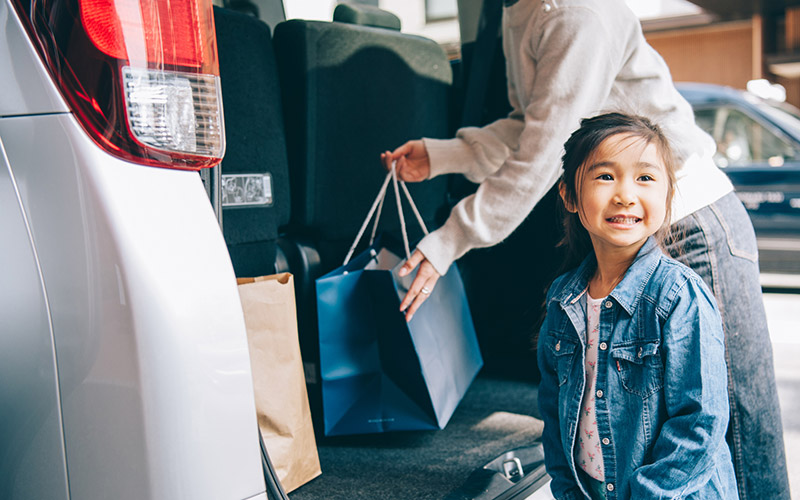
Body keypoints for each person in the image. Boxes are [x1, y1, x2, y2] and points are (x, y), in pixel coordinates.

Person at [381, 1, 789, 498]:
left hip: (690, 219)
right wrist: (446, 154)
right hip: (631, 231)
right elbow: (529, 125)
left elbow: (543, 153)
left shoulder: (578, 11)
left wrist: (449, 240)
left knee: (742, 436)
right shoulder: (519, 12)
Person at [537, 112, 737, 499]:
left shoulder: (679, 296)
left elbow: (701, 424)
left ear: (667, 194)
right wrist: (566, 488)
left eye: (645, 178)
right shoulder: (564, 299)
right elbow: (553, 409)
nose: (626, 194)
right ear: (570, 195)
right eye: (605, 176)